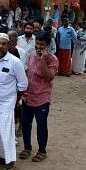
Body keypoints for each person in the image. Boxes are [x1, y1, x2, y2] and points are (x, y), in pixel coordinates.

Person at [0, 33, 28, 170]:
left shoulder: (15, 62)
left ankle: (10, 160)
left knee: (5, 132)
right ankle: (0, 156)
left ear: (8, 45)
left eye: (3, 43)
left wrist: (15, 101)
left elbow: (23, 85)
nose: (0, 46)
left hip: (7, 104)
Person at [19, 31, 58, 162]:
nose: (39, 47)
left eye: (42, 44)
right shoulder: (31, 55)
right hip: (28, 95)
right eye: (37, 43)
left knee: (41, 124)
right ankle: (27, 148)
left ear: (47, 45)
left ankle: (42, 151)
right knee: (25, 123)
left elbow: (48, 76)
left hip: (42, 97)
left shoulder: (53, 59)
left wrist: (42, 60)